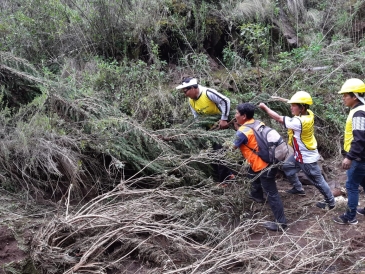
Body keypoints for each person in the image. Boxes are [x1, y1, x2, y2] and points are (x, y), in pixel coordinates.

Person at [259, 91, 335, 210]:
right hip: (299, 155)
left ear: (302, 107)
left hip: (306, 158)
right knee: (287, 167)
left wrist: (264, 107)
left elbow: (278, 118)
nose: (291, 107)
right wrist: (283, 99)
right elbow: (300, 104)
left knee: (318, 181)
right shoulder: (309, 113)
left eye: (293, 106)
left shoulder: (298, 122)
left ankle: (331, 202)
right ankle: (298, 188)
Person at [233, 103, 287, 231]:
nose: (235, 116)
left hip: (263, 165)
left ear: (244, 116)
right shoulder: (256, 122)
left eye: (236, 113)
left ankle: (281, 223)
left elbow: (232, 147)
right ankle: (256, 195)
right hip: (269, 159)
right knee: (251, 173)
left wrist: (237, 132)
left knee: (272, 193)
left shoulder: (243, 131)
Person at [176, 77, 233, 182]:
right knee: (211, 154)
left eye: (186, 91)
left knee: (219, 152)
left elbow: (225, 101)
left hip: (220, 127)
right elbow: (196, 117)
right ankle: (225, 176)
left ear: (193, 88)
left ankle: (226, 179)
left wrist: (224, 119)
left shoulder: (207, 93)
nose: (185, 94)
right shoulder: (191, 101)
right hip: (209, 129)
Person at [333, 78, 365, 225]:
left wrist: (350, 157)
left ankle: (350, 216)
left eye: (346, 95)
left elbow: (359, 138)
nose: (343, 98)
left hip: (358, 158)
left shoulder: (358, 113)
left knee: (352, 186)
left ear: (355, 96)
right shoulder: (362, 109)